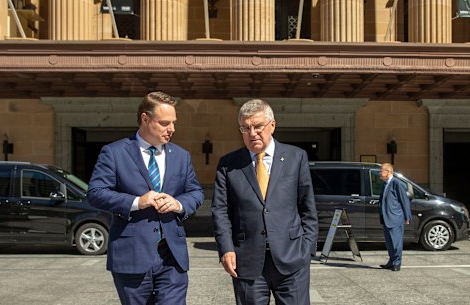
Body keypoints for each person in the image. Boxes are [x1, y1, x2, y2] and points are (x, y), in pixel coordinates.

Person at [87, 91, 204, 305]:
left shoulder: (181, 155)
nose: (172, 129)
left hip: (172, 256)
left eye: (174, 123)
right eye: (165, 123)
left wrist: (178, 204)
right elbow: (95, 193)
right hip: (131, 255)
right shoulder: (114, 152)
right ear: (145, 119)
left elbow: (195, 192)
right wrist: (136, 202)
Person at [211, 99, 319, 305]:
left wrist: (307, 248)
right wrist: (226, 248)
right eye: (245, 128)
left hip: (292, 258)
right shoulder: (229, 164)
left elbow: (307, 207)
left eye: (258, 126)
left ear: (272, 125)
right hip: (247, 260)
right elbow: (220, 210)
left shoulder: (296, 157)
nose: (252, 133)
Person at [378, 163, 412, 271]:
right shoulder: (385, 184)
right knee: (389, 243)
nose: (380, 172)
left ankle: (397, 263)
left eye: (382, 170)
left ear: (388, 172)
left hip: (395, 218)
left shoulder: (396, 183)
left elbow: (404, 200)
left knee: (396, 242)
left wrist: (407, 216)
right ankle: (391, 261)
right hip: (386, 218)